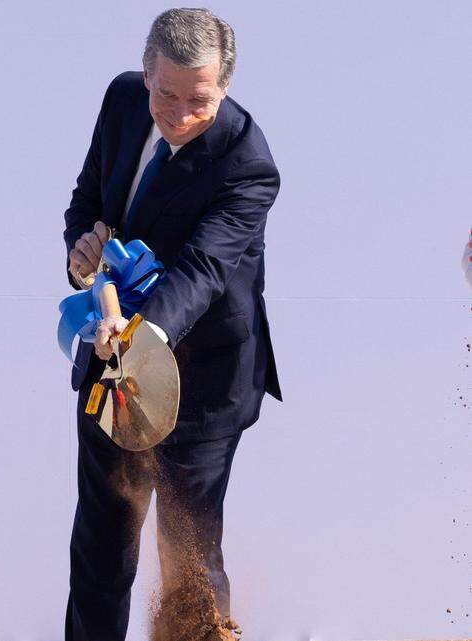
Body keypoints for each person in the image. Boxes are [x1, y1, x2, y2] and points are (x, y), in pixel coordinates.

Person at [62, 9, 282, 640]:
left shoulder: (248, 163)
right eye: (167, 94)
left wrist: (137, 340)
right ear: (145, 70)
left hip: (205, 383)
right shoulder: (123, 100)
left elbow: (201, 272)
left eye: (199, 101)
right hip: (113, 368)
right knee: (101, 546)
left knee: (187, 555)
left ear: (227, 86)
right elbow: (87, 199)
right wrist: (82, 254)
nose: (179, 114)